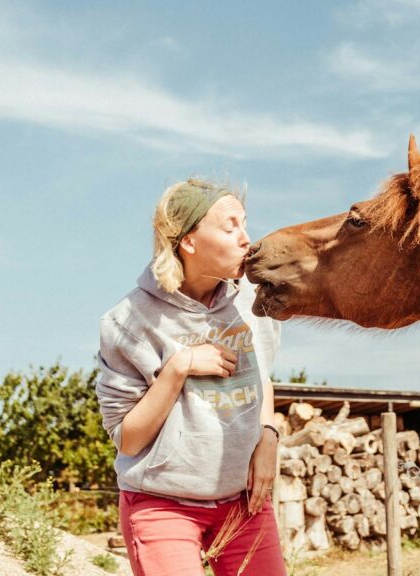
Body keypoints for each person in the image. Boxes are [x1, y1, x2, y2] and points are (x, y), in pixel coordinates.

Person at [96, 179, 286, 576]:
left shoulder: (254, 304)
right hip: (163, 504)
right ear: (189, 241)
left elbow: (261, 375)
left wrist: (268, 435)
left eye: (245, 224)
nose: (246, 239)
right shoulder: (128, 321)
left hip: (245, 503)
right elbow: (128, 438)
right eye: (230, 226)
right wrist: (178, 368)